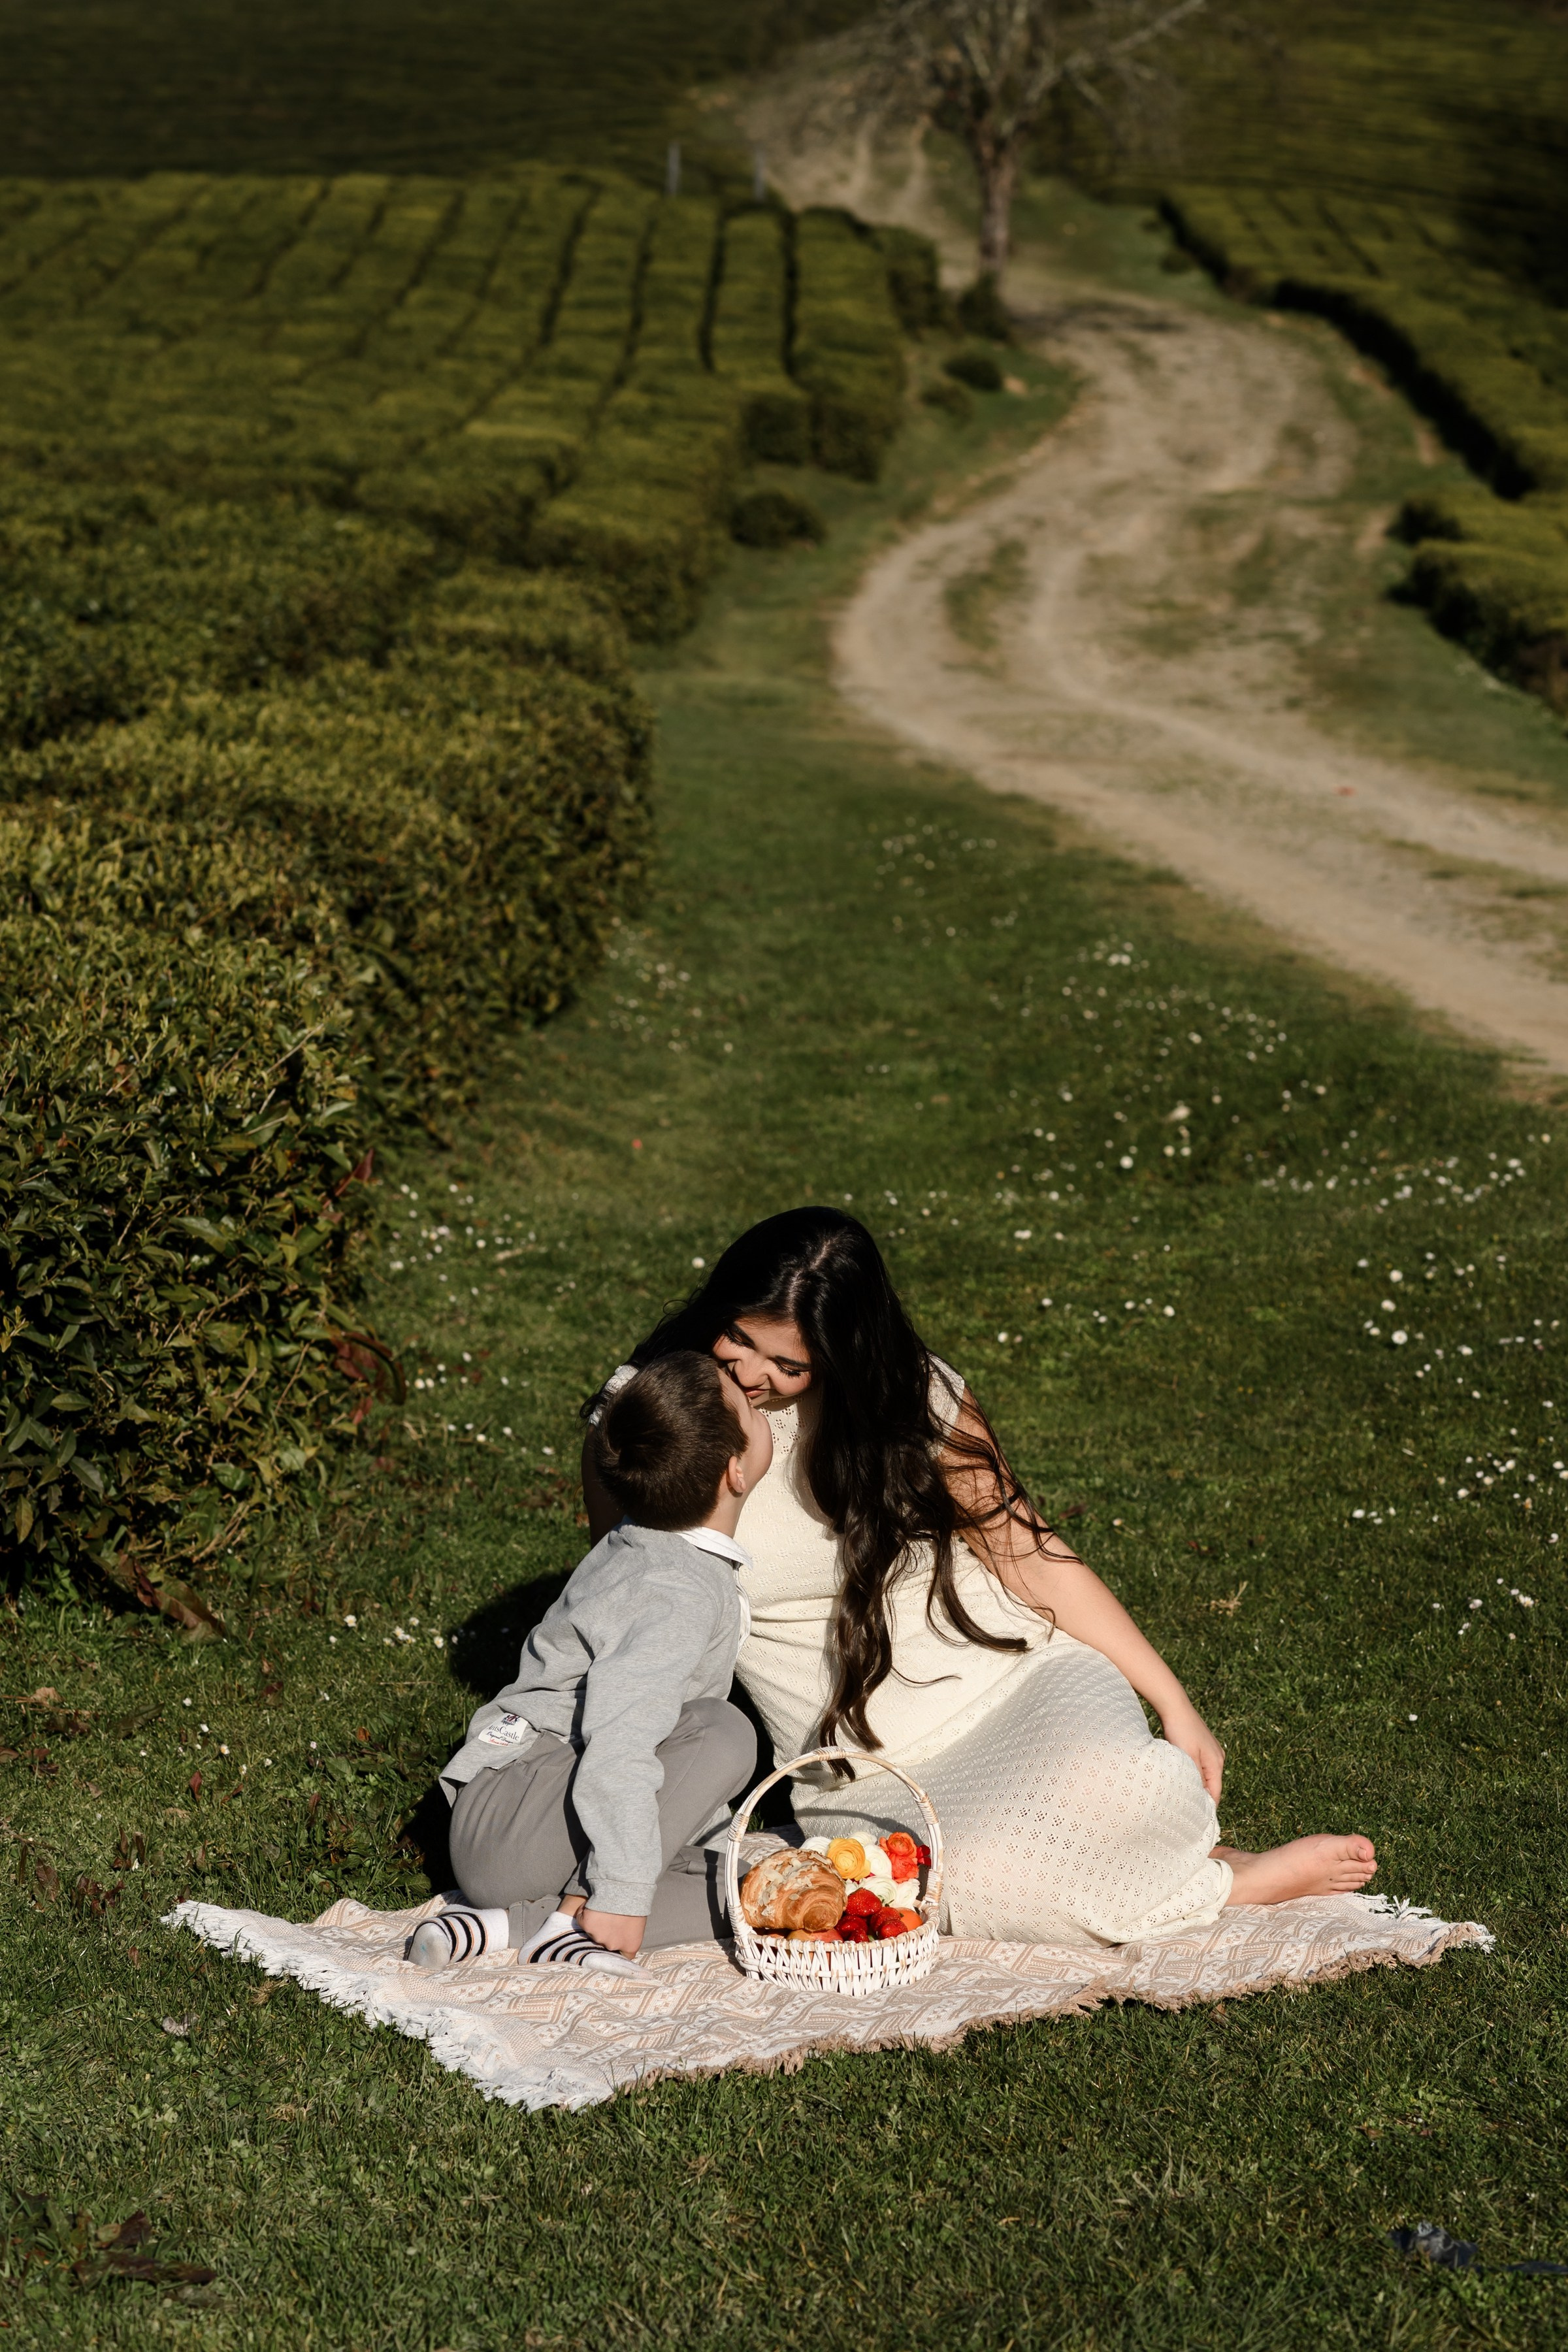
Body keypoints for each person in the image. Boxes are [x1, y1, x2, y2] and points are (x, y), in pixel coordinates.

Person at [583, 1209, 1377, 1949]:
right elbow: (640, 1599)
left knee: (1120, 1779)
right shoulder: (644, 1420)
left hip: (1016, 1680)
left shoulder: (909, 1395)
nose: (748, 1372)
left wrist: (1176, 1703)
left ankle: (1176, 1860)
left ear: (841, 1356)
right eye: (736, 1337)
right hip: (868, 1764)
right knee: (985, 1882)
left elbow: (1027, 1552)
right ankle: (1230, 1882)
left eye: (788, 1364)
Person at [410, 1350, 766, 1974]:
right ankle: (581, 1908)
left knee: (747, 1893)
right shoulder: (679, 1588)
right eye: (743, 1402)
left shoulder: (639, 1541)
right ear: (737, 1471)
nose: (753, 1391)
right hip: (518, 1817)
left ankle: (505, 1927)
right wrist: (622, 1888)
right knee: (724, 1731)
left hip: (519, 1826)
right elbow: (623, 1738)